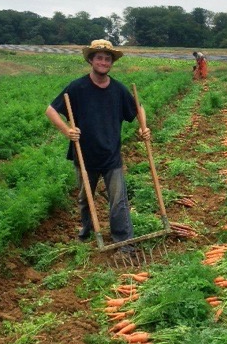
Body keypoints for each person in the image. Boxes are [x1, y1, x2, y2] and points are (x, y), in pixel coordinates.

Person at [45, 39, 150, 249]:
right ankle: (86, 233)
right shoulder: (77, 87)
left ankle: (124, 242)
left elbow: (138, 109)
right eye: (99, 58)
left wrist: (143, 127)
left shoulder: (118, 89)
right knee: (85, 199)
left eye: (107, 59)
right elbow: (51, 110)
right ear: (91, 60)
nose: (103, 62)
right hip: (84, 155)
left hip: (111, 155)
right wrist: (67, 131)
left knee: (119, 201)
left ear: (111, 63)